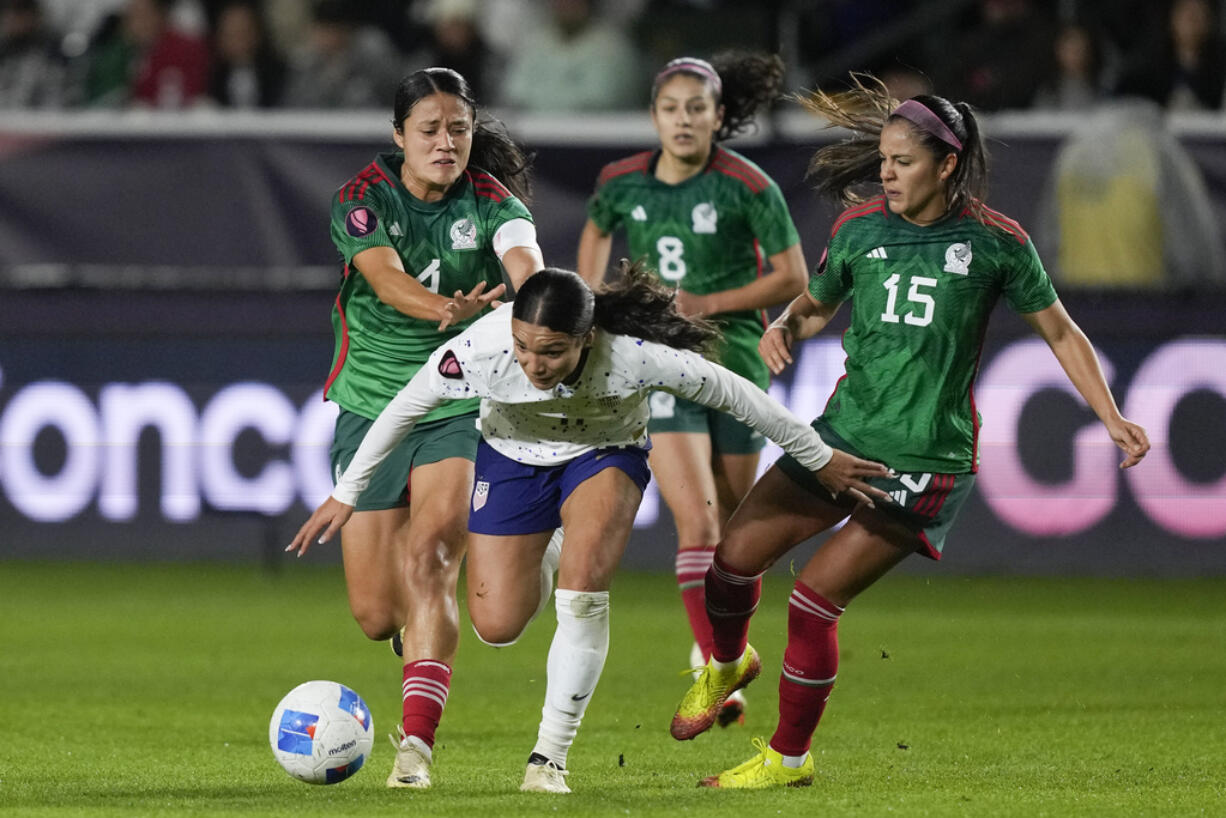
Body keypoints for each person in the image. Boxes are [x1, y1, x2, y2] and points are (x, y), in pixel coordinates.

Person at [668, 75, 1151, 789]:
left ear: (946, 164)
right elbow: (813, 304)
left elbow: (1061, 330)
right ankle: (729, 662)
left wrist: (1109, 415)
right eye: (883, 160)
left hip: (923, 463)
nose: (885, 173)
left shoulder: (996, 244)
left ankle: (786, 760)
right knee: (732, 561)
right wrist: (785, 326)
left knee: (811, 604)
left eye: (902, 161)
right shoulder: (859, 230)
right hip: (837, 440)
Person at [288, 264, 893, 794]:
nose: (532, 364)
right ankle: (554, 544)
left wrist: (818, 458)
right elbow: (404, 409)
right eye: (524, 347)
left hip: (603, 455)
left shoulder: (632, 353)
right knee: (496, 626)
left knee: (582, 597)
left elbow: (738, 396)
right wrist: (346, 493)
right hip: (511, 459)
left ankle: (548, 759)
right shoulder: (481, 348)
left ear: (587, 337)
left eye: (551, 351)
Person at [317, 66, 544, 790]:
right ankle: (412, 640)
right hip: (374, 405)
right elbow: (384, 279)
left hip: (457, 400)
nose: (446, 143)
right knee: (376, 613)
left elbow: (525, 263)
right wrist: (438, 307)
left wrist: (535, 296)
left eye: (458, 129)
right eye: (429, 130)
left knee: (433, 557)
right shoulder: (361, 200)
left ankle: (415, 748)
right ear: (398, 137)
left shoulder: (494, 202)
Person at [576, 52, 807, 726]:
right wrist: (594, 302)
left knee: (736, 529)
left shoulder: (747, 185)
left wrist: (712, 301)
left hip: (733, 358)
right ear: (654, 116)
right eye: (672, 108)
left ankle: (717, 643)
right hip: (660, 359)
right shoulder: (621, 181)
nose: (684, 120)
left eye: (697, 108)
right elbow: (594, 228)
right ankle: (719, 673)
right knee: (698, 520)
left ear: (717, 116)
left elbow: (791, 275)